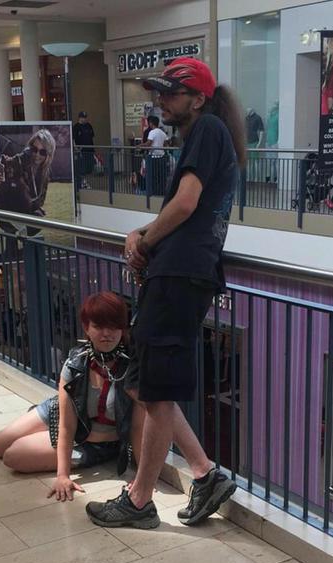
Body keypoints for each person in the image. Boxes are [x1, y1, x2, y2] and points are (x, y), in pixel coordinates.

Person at [85, 57, 246, 529]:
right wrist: (144, 235)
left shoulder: (207, 129)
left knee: (154, 388)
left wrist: (145, 242)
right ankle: (205, 473)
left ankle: (139, 501)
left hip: (180, 277)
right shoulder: (207, 134)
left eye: (171, 93)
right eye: (159, 92)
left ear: (198, 99)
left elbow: (186, 203)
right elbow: (184, 210)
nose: (161, 101)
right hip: (178, 274)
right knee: (142, 384)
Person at [0, 292, 144, 500]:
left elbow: (138, 427)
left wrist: (143, 476)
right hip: (60, 412)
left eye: (113, 326)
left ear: (122, 328)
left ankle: (46, 439)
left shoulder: (133, 367)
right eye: (98, 326)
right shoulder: (75, 362)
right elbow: (67, 426)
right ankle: (40, 426)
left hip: (92, 440)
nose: (107, 334)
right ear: (87, 328)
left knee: (12, 456)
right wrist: (62, 475)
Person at [0, 128, 56, 235]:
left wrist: (36, 208)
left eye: (42, 152)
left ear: (49, 154)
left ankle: (20, 233)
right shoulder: (20, 160)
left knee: (39, 219)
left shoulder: (45, 172)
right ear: (30, 147)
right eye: (34, 149)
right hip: (7, 209)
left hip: (25, 212)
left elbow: (40, 199)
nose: (37, 154)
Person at [140, 115, 168, 196]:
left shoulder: (152, 132)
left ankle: (154, 193)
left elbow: (148, 143)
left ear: (151, 123)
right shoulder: (162, 133)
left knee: (153, 175)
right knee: (161, 176)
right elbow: (166, 144)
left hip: (153, 157)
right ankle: (162, 192)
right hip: (162, 157)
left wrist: (140, 146)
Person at [73, 111, 95, 189]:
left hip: (90, 150)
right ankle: (83, 183)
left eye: (85, 117)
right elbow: (73, 139)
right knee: (82, 168)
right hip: (81, 151)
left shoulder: (88, 126)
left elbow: (92, 136)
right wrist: (76, 149)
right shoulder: (76, 127)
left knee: (89, 168)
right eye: (82, 117)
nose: (84, 119)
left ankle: (86, 182)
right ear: (79, 118)